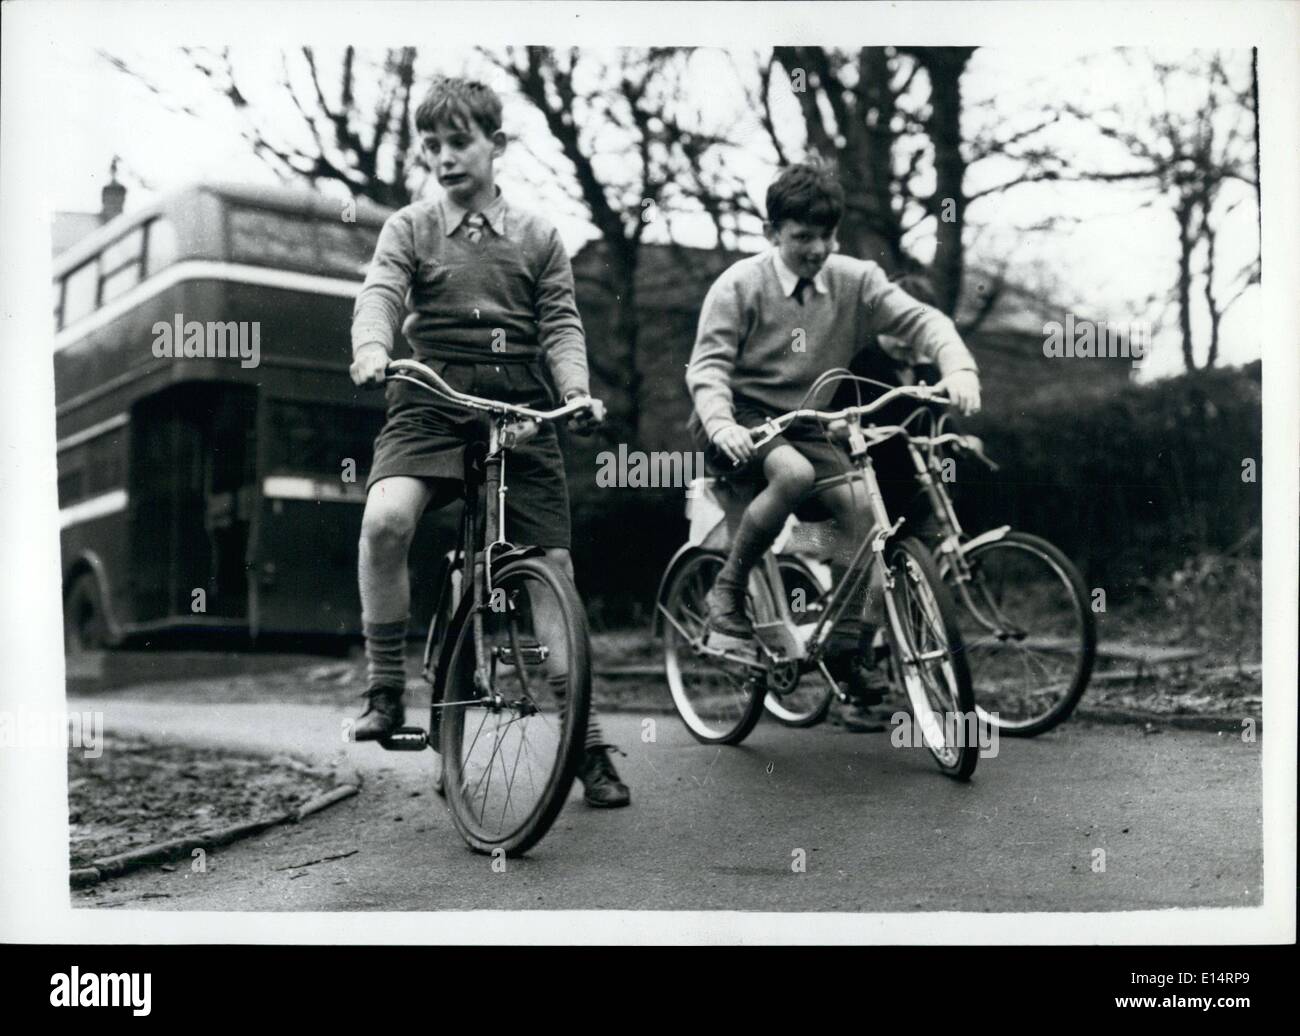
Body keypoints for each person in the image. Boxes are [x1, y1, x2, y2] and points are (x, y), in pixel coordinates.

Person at [348, 76, 629, 808]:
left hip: (519, 405)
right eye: (431, 145)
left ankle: (588, 744)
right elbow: (380, 292)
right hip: (429, 396)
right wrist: (373, 348)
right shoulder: (409, 227)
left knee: (552, 572)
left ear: (497, 146)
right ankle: (384, 688)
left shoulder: (539, 236)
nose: (444, 158)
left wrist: (574, 391)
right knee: (385, 522)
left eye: (460, 142)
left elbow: (562, 324)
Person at [684, 160, 982, 717]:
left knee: (865, 514)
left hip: (805, 423)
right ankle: (726, 589)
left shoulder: (856, 280)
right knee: (793, 474)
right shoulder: (739, 285)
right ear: (773, 233)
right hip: (737, 418)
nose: (817, 249)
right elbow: (707, 370)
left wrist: (959, 369)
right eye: (802, 238)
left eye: (826, 236)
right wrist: (723, 424)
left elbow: (926, 322)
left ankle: (845, 648)